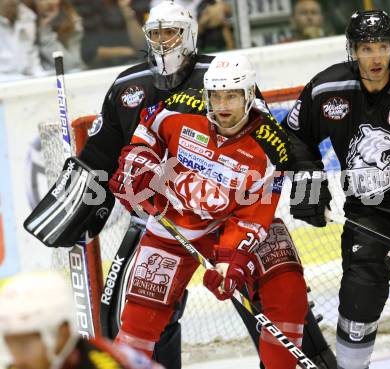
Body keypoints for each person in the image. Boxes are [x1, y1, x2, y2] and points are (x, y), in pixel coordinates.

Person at [23, 1, 336, 368]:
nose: (163, 41)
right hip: (166, 212)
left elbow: (272, 141)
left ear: (188, 35)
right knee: (139, 310)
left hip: (234, 209)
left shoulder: (221, 76)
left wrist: (309, 184)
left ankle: (303, 361)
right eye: (155, 33)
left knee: (280, 290)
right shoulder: (129, 86)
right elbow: (102, 153)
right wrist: (84, 202)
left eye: (170, 32)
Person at [108, 53, 312, 369]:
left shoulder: (271, 144)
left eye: (232, 95)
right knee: (139, 319)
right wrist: (138, 167)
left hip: (234, 222)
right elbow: (146, 135)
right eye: (216, 95)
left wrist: (232, 261)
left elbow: (255, 214)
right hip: (174, 225)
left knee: (287, 291)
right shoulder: (179, 108)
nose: (223, 104)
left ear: (249, 95)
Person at [281, 9, 390, 369]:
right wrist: (309, 183)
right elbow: (292, 133)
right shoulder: (327, 90)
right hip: (369, 213)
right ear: (352, 50)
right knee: (358, 298)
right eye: (367, 48)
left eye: (382, 46)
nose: (376, 57)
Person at [0, 270, 163, 369]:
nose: (17, 358)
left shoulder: (104, 364)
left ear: (62, 334)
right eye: (10, 343)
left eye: (24, 344)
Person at [33, 0, 84, 72]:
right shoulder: (27, 20)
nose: (48, 2)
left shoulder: (73, 21)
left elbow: (72, 65)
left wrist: (45, 30)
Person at [0, 0, 44, 81]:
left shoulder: (28, 16)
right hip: (3, 79)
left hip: (25, 78)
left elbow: (31, 52)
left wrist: (41, 78)